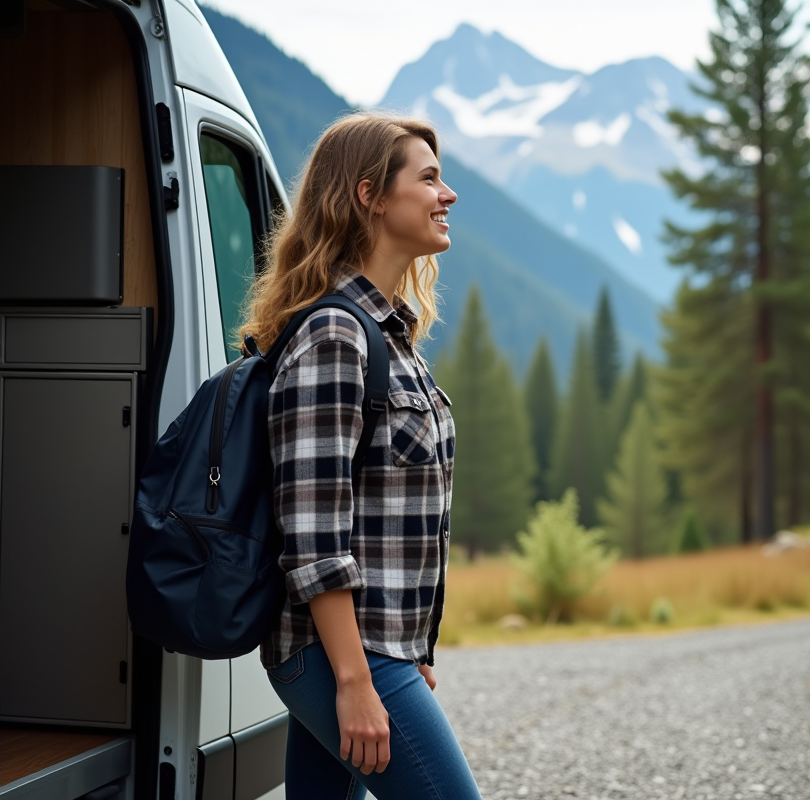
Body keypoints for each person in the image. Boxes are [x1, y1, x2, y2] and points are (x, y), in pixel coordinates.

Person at [239, 113, 481, 799]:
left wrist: (408, 648)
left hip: (372, 648)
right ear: (369, 195)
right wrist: (355, 679)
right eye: (428, 179)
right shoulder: (335, 336)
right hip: (342, 654)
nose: (447, 194)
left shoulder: (387, 335)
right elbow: (314, 534)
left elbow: (386, 514)